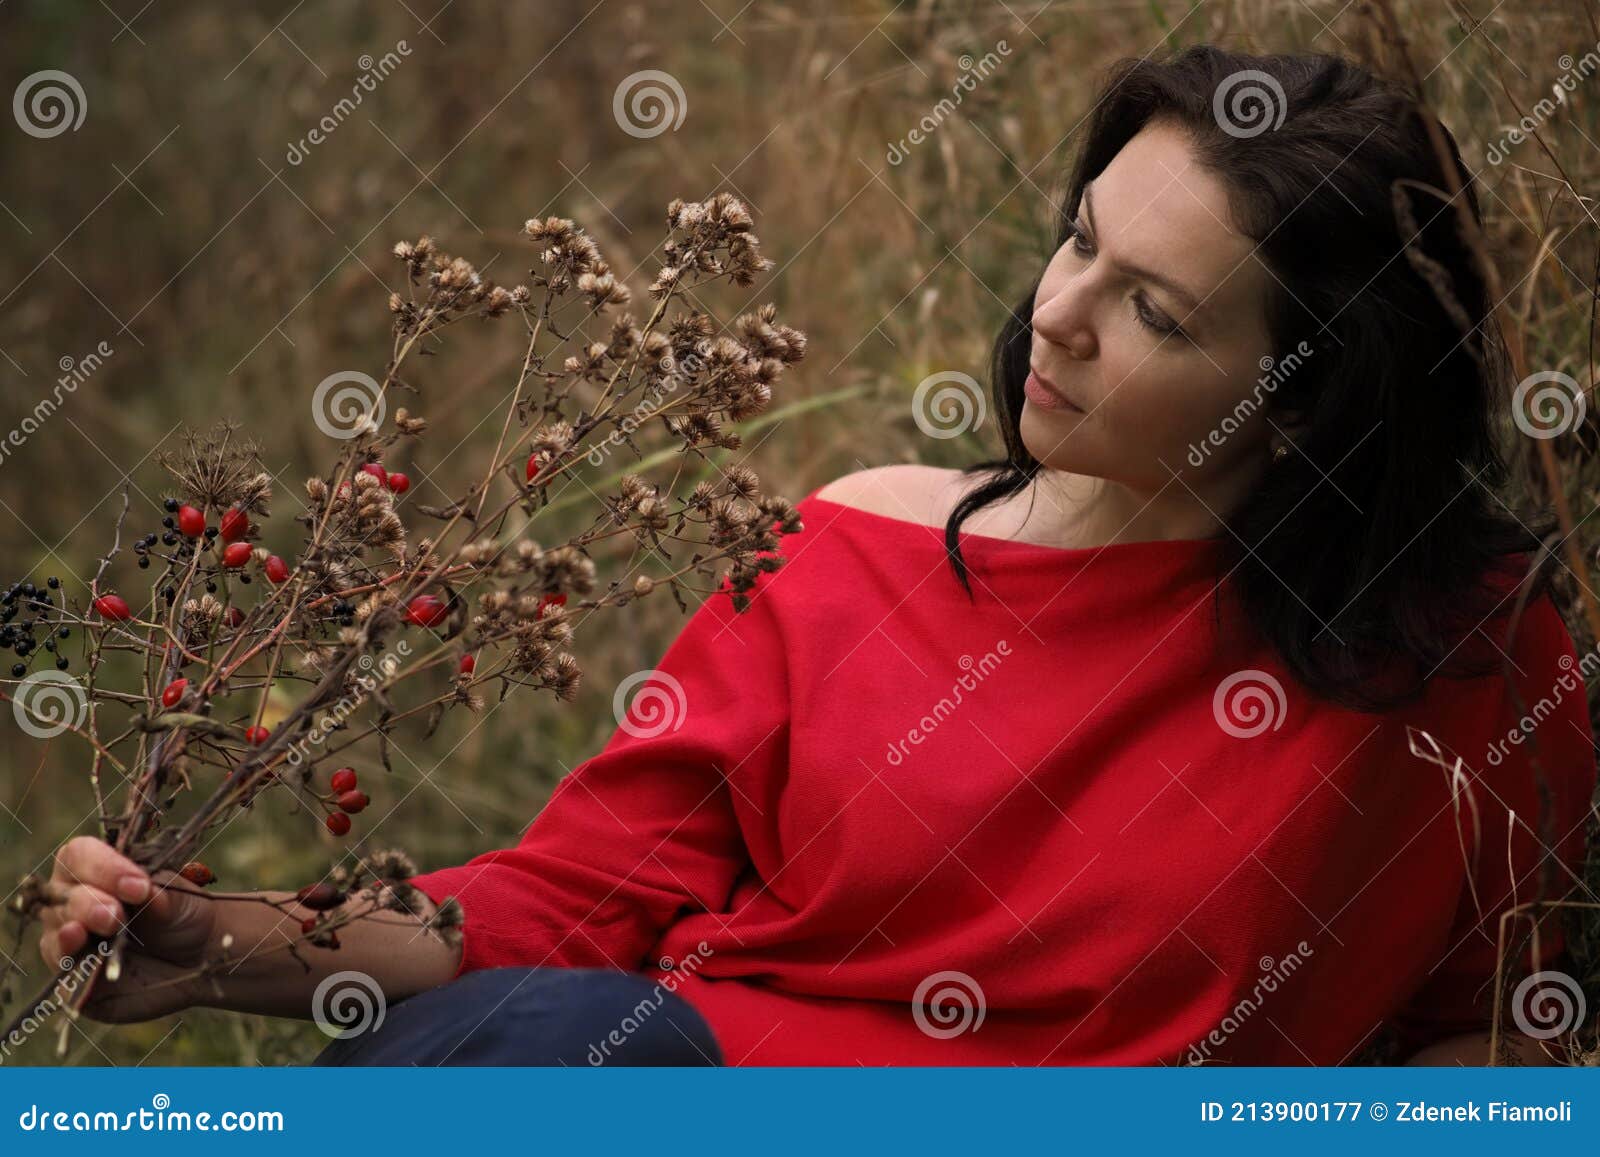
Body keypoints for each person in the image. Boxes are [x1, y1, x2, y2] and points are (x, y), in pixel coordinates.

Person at [38, 45, 1597, 1066]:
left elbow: (1484, 1033)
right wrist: (220, 947)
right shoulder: (856, 546)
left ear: (1306, 394)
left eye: (1157, 311)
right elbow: (571, 905)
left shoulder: (1464, 657)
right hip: (685, 1078)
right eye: (1078, 241)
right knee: (528, 1044)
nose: (1056, 313)